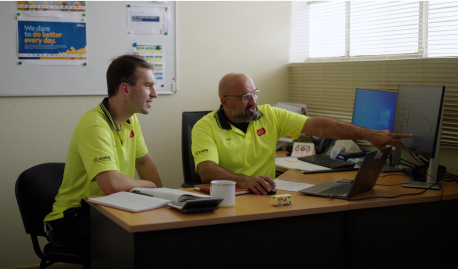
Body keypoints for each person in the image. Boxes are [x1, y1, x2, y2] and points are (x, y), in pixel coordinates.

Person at [191, 73, 412, 195]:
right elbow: (206, 170)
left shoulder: (269, 115)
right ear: (224, 102)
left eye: (255, 94)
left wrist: (369, 134)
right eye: (245, 97)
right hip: (228, 197)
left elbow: (320, 126)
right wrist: (245, 181)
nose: (253, 102)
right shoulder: (205, 126)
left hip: (264, 196)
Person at [44, 53, 163, 251]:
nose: (154, 94)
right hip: (75, 217)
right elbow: (112, 184)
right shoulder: (95, 125)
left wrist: (163, 199)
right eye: (148, 86)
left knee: (159, 231)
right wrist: (150, 187)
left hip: (111, 207)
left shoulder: (130, 119)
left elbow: (143, 162)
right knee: (134, 244)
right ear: (125, 88)